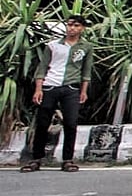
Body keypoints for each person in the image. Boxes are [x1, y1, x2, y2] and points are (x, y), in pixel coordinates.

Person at [22, 14, 94, 173]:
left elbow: (86, 71)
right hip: (50, 86)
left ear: (82, 28)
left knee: (70, 123)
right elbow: (42, 68)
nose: (72, 28)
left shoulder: (86, 47)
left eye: (76, 26)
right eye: (69, 25)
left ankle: (67, 160)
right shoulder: (53, 45)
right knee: (42, 123)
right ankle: (36, 159)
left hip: (71, 88)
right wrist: (38, 89)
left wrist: (83, 91)